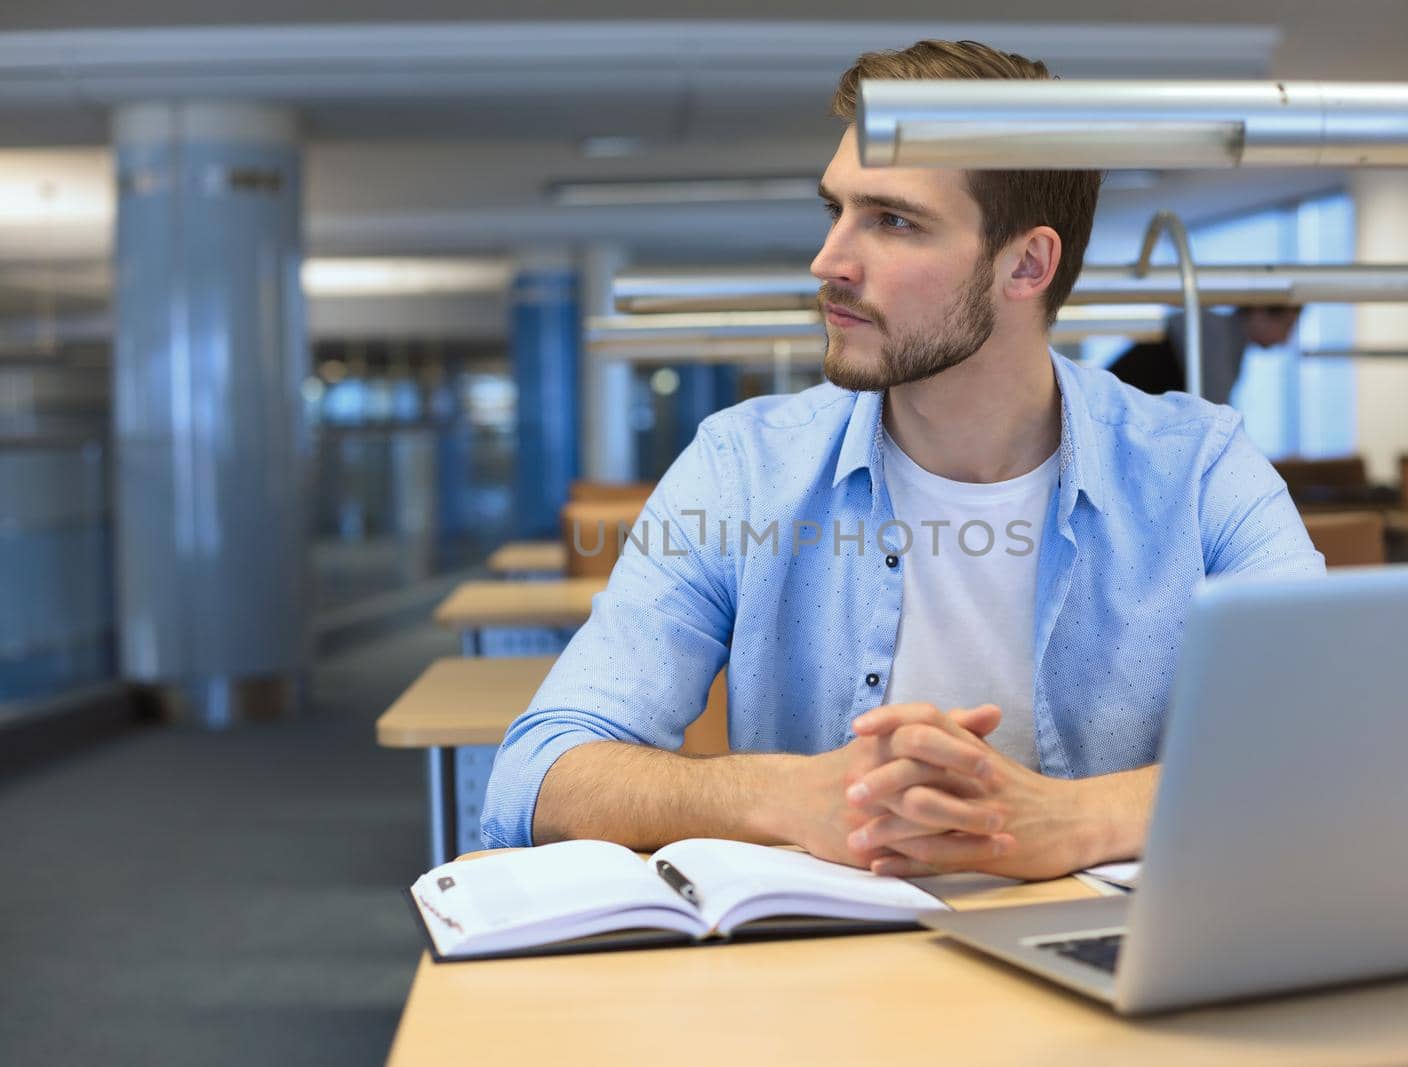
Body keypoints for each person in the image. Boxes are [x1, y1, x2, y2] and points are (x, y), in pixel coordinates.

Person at [482, 40, 1324, 880]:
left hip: (1111, 977)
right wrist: (788, 796)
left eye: (891, 220)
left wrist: (1069, 818)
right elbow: (538, 774)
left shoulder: (1203, 469)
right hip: (831, 982)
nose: (830, 262)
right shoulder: (743, 468)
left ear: (1026, 264)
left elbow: (1332, 749)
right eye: (836, 211)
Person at [1107, 305, 1301, 406]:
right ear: (1259, 312)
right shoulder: (1216, 335)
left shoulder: (1225, 337)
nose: (1285, 338)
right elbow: (1215, 411)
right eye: (1287, 326)